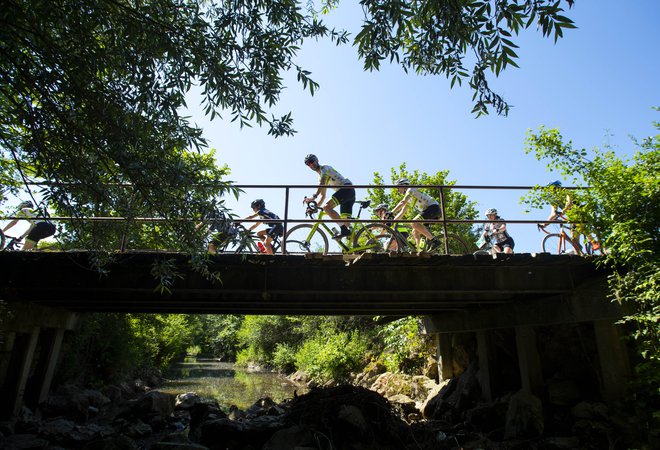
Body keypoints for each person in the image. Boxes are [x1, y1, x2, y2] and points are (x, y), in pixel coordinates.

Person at [303, 154, 355, 239]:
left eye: (312, 161)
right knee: (345, 221)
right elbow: (323, 196)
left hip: (346, 188)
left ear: (316, 160)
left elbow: (322, 184)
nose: (311, 164)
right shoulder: (320, 176)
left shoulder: (324, 168)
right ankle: (357, 245)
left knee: (327, 208)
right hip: (347, 192)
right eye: (308, 164)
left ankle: (344, 230)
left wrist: (313, 197)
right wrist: (315, 208)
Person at [390, 178, 441, 250]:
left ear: (404, 186)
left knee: (414, 223)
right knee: (415, 232)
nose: (397, 190)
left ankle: (434, 241)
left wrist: (391, 212)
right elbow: (402, 212)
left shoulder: (410, 189)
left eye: (398, 187)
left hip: (433, 208)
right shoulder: (410, 198)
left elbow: (403, 202)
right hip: (429, 210)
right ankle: (419, 251)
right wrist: (393, 221)